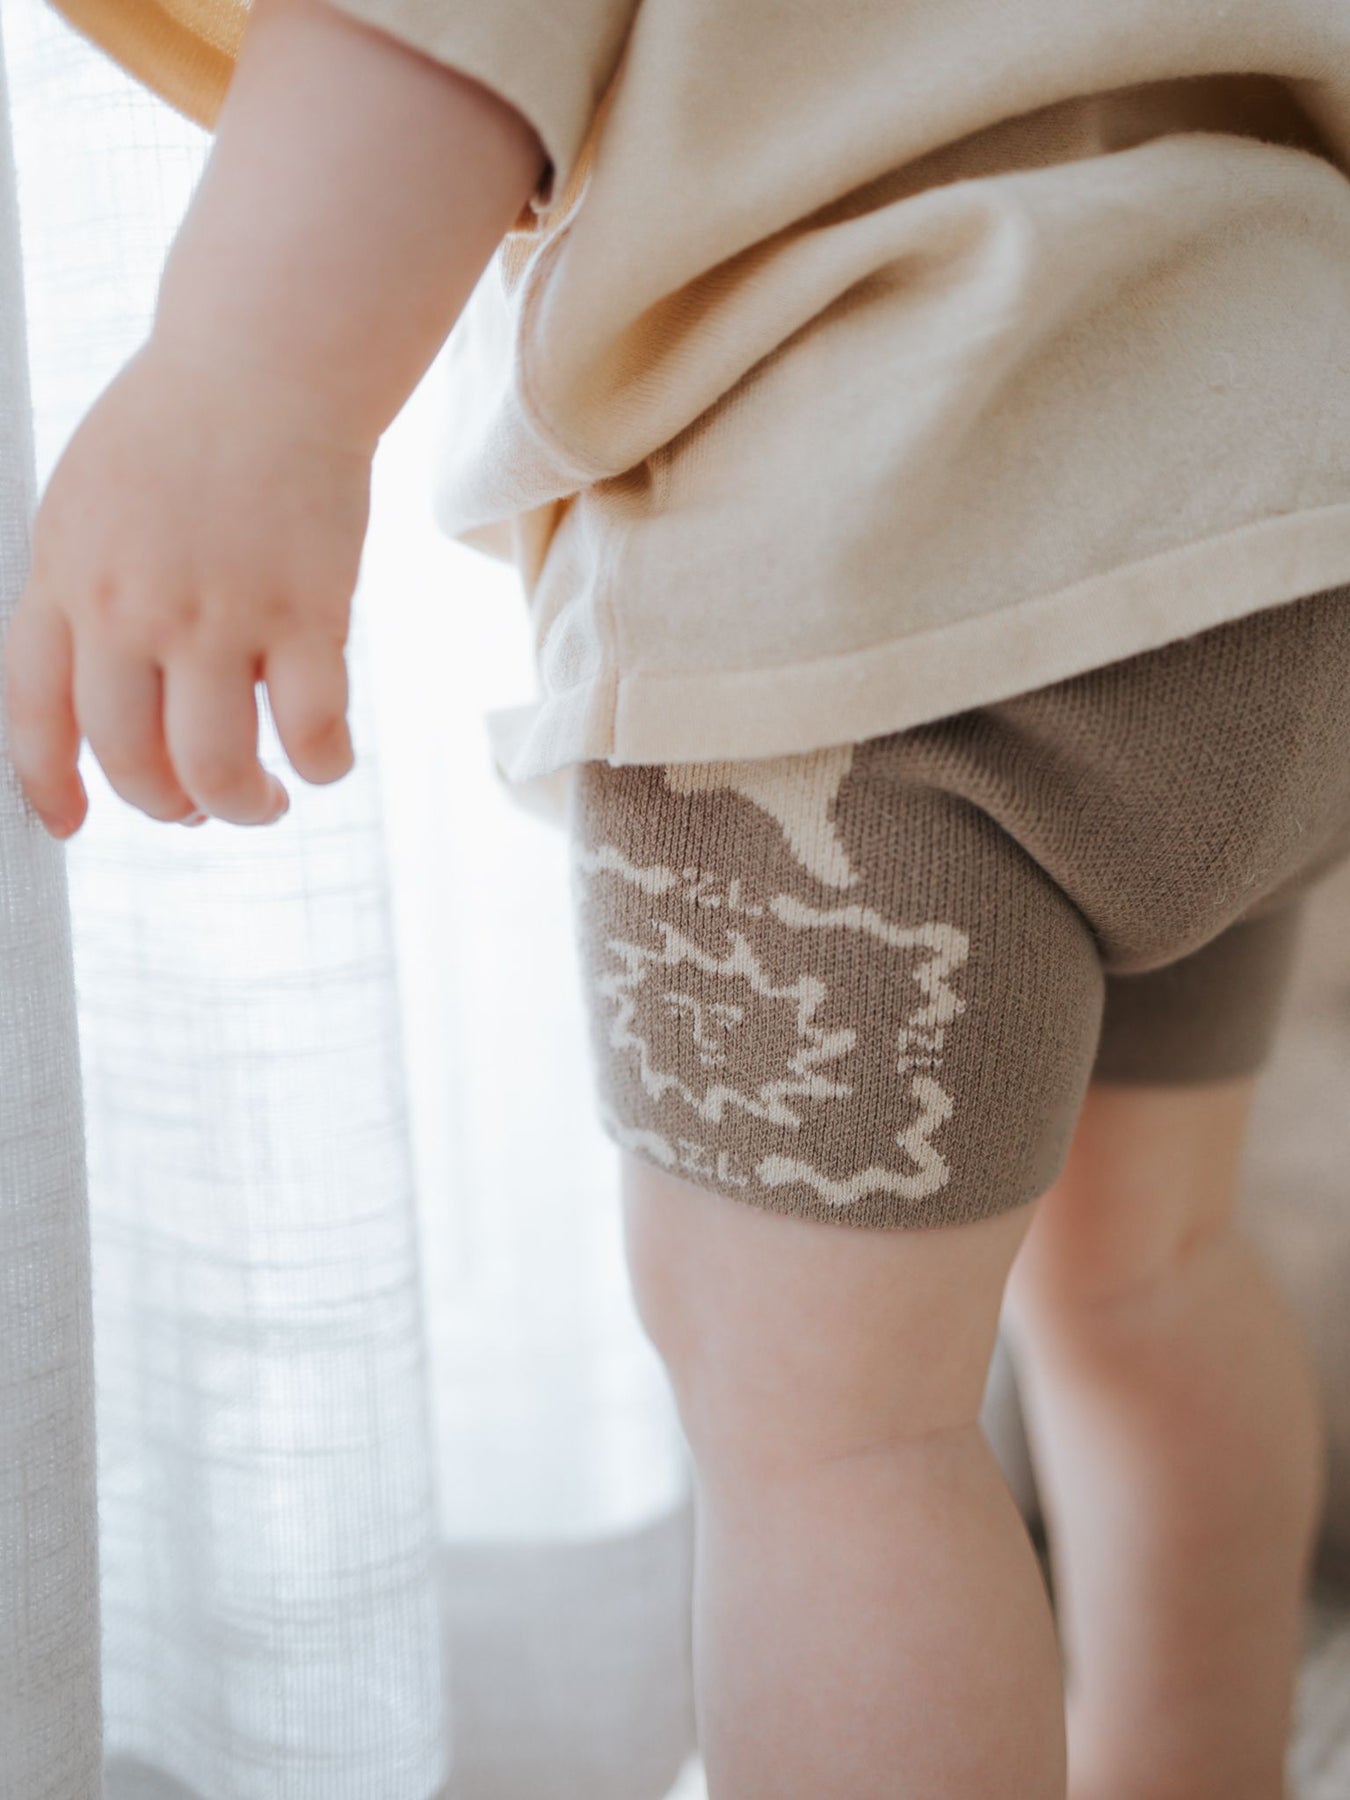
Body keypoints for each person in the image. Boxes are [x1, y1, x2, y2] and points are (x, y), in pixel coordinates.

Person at [7, 1, 1350, 1792]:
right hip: (1284, 524)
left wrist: (242, 383)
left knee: (833, 1439)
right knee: (1149, 1269)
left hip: (867, 569)